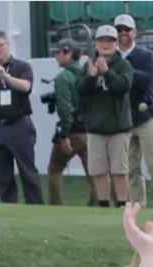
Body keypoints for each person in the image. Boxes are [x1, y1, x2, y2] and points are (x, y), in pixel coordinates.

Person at [0, 30, 44, 204]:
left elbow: (26, 87)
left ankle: (36, 209)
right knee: (3, 176)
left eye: (0, 45)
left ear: (8, 45)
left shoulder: (21, 66)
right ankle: (8, 211)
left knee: (28, 172)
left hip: (19, 125)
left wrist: (5, 76)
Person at [115, 14, 153, 209]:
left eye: (127, 29)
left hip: (146, 117)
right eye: (119, 30)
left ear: (135, 32)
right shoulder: (111, 57)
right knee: (131, 169)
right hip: (123, 119)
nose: (123, 33)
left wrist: (123, 70)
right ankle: (137, 206)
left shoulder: (145, 56)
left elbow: (146, 80)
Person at [79, 25, 133, 208]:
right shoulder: (88, 65)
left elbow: (123, 87)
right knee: (98, 171)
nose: (106, 44)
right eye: (102, 40)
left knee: (120, 170)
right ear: (96, 43)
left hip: (118, 127)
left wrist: (106, 73)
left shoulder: (124, 65)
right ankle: (103, 205)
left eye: (110, 41)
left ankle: (123, 205)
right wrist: (91, 77)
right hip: (95, 127)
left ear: (116, 43)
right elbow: (80, 91)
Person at [47, 39, 96, 206]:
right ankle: (97, 207)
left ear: (67, 53)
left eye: (58, 52)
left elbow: (65, 109)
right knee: (94, 174)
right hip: (90, 130)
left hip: (73, 131)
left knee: (55, 168)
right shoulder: (87, 74)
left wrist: (64, 134)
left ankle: (57, 207)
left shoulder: (63, 77)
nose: (56, 55)